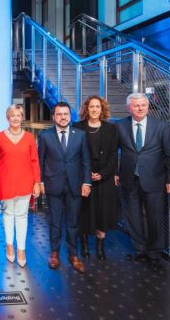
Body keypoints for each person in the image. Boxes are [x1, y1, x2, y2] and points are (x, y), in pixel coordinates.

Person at [117, 92, 170, 272]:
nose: (140, 108)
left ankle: (155, 254)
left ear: (148, 106)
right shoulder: (120, 126)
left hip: (155, 180)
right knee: (133, 218)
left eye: (143, 105)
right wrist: (114, 173)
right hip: (129, 180)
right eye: (136, 105)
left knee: (155, 218)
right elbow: (113, 152)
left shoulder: (161, 126)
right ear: (129, 107)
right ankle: (140, 250)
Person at [38, 101, 91, 273]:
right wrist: (40, 182)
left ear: (70, 116)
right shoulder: (45, 136)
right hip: (53, 185)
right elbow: (40, 161)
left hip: (75, 185)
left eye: (65, 114)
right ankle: (54, 253)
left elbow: (85, 160)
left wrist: (86, 182)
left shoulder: (80, 135)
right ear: (54, 117)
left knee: (73, 222)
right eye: (59, 114)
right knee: (54, 221)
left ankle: (73, 255)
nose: (62, 117)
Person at [0, 104, 41, 268]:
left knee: (21, 215)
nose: (15, 118)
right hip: (6, 180)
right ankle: (9, 246)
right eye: (12, 115)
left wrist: (37, 183)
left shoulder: (29, 137)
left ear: (22, 118)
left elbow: (35, 161)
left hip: (25, 181)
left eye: (18, 115)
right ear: (8, 117)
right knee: (8, 214)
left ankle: (21, 249)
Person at [73, 96, 119, 261]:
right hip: (83, 176)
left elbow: (114, 154)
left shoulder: (111, 128)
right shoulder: (77, 127)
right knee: (84, 212)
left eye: (97, 107)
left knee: (102, 213)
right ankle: (84, 245)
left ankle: (100, 247)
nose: (94, 110)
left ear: (102, 109)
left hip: (104, 178)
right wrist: (86, 174)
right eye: (91, 106)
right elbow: (74, 153)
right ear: (86, 109)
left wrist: (104, 173)